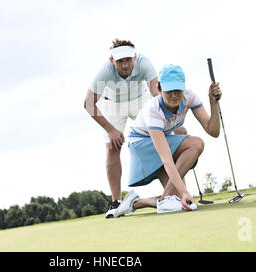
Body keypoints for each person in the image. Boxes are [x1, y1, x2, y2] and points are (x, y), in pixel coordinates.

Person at [83, 39, 187, 218]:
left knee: (163, 138)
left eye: (128, 60)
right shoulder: (105, 71)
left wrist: (174, 123)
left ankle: (179, 193)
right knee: (112, 146)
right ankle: (116, 201)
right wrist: (111, 130)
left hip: (141, 100)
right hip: (113, 104)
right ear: (111, 61)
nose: (125, 65)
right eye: (120, 61)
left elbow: (157, 93)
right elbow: (89, 104)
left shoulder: (144, 63)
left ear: (135, 57)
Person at [115, 64, 222, 215]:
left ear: (183, 88)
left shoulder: (189, 96)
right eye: (169, 90)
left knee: (177, 201)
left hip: (161, 141)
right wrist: (185, 192)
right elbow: (167, 160)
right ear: (159, 89)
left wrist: (213, 103)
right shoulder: (153, 110)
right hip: (141, 145)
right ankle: (165, 198)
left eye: (177, 90)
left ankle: (136, 203)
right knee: (196, 143)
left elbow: (213, 131)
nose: (174, 95)